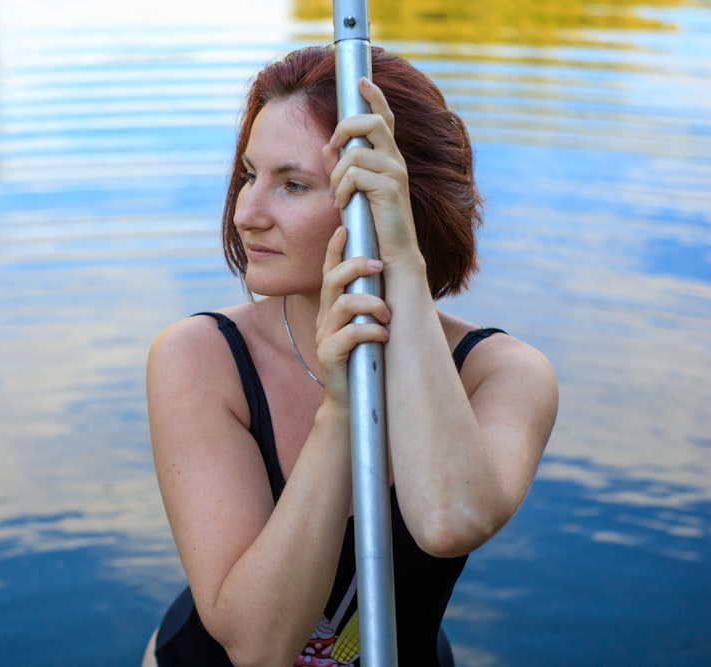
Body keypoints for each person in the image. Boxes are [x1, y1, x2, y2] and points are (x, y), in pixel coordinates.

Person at [141, 45, 558, 667]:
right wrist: (340, 412)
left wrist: (402, 264)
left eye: (293, 185)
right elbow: (258, 646)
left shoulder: (500, 374)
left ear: (390, 200)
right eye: (251, 175)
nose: (245, 213)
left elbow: (448, 521)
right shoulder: (200, 357)